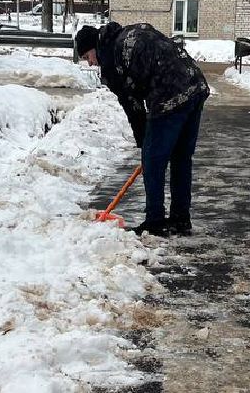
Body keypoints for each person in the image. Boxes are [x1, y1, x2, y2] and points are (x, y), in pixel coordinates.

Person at [76, 21, 210, 237]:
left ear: (94, 47)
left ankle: (155, 220)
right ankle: (180, 219)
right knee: (180, 158)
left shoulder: (111, 59)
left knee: (153, 161)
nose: (91, 63)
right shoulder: (127, 34)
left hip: (170, 94)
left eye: (87, 57)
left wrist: (145, 144)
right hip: (196, 86)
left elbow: (133, 106)